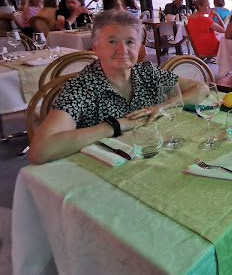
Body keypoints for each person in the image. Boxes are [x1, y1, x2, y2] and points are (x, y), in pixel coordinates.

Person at [27, 10, 207, 165]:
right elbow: (40, 150)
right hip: (103, 170)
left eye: (130, 42)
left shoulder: (147, 73)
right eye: (112, 41)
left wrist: (161, 108)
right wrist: (115, 125)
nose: (123, 50)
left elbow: (202, 89)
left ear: (139, 48)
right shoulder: (82, 87)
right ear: (95, 47)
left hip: (154, 157)